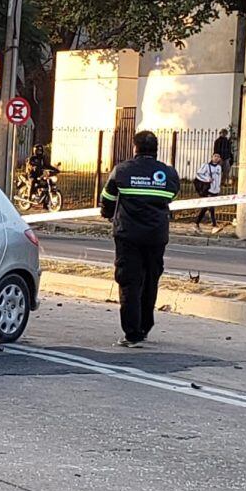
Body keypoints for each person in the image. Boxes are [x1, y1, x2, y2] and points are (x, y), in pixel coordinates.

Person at [100, 131, 180, 348]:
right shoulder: (168, 173)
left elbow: (107, 198)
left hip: (128, 236)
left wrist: (108, 214)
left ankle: (132, 334)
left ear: (135, 148)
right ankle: (145, 327)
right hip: (156, 236)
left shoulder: (123, 170)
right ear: (156, 149)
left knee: (129, 282)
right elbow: (172, 195)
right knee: (151, 280)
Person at [193, 153, 223, 235]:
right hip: (208, 190)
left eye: (218, 156)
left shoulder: (219, 167)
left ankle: (196, 224)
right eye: (215, 156)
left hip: (215, 190)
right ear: (212, 157)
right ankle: (214, 226)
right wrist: (207, 179)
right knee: (211, 207)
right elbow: (198, 174)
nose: (216, 158)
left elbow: (219, 178)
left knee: (206, 207)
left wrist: (218, 188)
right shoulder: (206, 166)